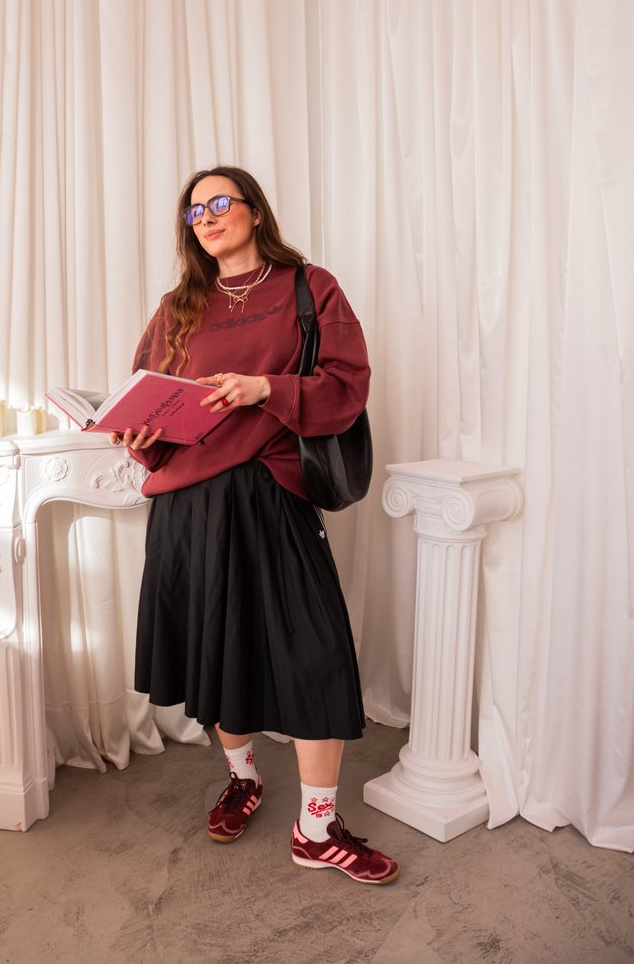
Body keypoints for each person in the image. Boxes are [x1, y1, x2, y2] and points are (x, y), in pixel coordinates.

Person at [109, 166, 399, 885]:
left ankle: (318, 826)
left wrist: (266, 388)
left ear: (252, 210)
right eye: (193, 209)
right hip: (187, 505)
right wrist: (138, 435)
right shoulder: (178, 306)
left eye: (219, 202)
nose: (206, 216)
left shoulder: (309, 288)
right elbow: (151, 405)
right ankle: (243, 777)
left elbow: (348, 385)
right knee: (217, 651)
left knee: (316, 651)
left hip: (271, 495)